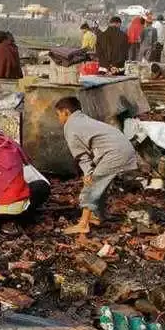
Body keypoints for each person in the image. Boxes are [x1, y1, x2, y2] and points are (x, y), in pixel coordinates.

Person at [55, 97, 138, 235]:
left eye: (58, 115)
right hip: (124, 147)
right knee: (100, 184)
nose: (59, 119)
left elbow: (81, 155)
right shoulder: (83, 119)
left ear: (66, 112)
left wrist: (88, 173)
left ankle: (83, 224)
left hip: (114, 152)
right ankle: (99, 216)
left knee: (92, 184)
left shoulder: (71, 126)